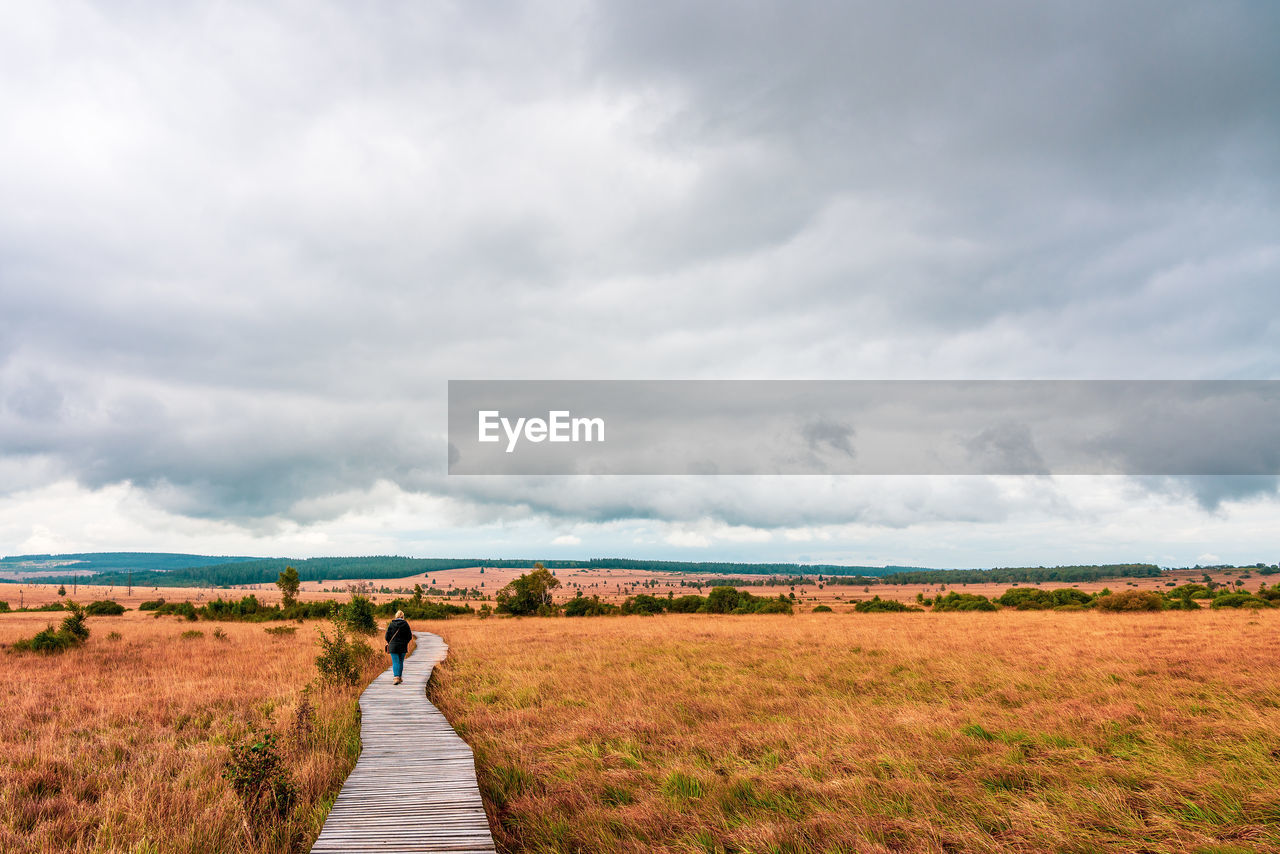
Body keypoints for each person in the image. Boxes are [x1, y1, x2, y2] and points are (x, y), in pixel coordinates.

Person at [385, 610, 413, 685]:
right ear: (403, 616)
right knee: (401, 661)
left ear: (396, 616)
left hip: (393, 646)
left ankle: (396, 677)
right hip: (403, 646)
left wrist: (390, 642)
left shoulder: (391, 624)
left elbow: (387, 636)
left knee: (395, 662)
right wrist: (405, 642)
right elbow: (410, 636)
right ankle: (399, 677)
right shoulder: (405, 624)